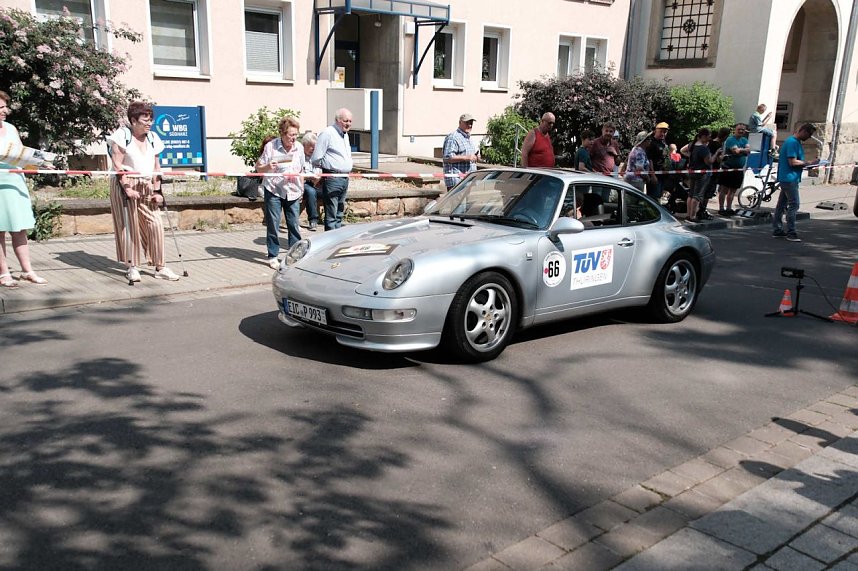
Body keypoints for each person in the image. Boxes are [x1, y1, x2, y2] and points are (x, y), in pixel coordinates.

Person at [107, 101, 179, 282]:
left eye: (151, 120)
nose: (149, 123)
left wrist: (158, 191)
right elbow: (117, 165)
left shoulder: (153, 137)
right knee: (128, 226)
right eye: (145, 120)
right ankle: (132, 266)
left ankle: (160, 266)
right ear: (133, 120)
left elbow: (156, 167)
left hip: (146, 182)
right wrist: (127, 188)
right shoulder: (122, 136)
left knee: (155, 224)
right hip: (125, 183)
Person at [0, 90, 49, 287]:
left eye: (5, 106)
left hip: (15, 182)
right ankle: (4, 273)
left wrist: (42, 163)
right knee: (0, 230)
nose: (5, 110)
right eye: (1, 107)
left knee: (20, 228)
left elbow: (23, 155)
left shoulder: (11, 128)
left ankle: (27, 271)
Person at [257, 117, 305, 267]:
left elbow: (301, 169)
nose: (294, 138)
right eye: (291, 135)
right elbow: (259, 168)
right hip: (274, 189)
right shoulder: (271, 146)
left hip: (293, 190)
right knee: (273, 224)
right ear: (282, 134)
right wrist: (268, 167)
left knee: (293, 224)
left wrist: (302, 188)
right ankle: (273, 255)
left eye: (296, 134)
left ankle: (295, 256)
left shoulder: (300, 147)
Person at [773, 123, 820, 242]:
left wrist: (807, 164)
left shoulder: (794, 142)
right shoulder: (793, 142)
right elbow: (793, 162)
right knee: (794, 205)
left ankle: (778, 230)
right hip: (789, 178)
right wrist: (809, 163)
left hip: (788, 177)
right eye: (809, 134)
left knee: (781, 205)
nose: (809, 137)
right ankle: (791, 232)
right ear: (802, 130)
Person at [311, 108, 353, 231]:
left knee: (339, 212)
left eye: (350, 121)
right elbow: (316, 157)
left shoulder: (345, 135)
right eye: (346, 121)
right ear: (338, 120)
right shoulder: (328, 133)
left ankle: (337, 240)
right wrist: (325, 172)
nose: (348, 124)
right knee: (331, 213)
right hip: (333, 177)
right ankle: (329, 242)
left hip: (344, 177)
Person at [718, 123, 751, 216]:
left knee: (733, 190)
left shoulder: (745, 140)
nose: (741, 131)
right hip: (728, 168)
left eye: (743, 130)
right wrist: (743, 151)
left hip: (739, 169)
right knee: (724, 189)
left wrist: (741, 151)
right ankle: (721, 208)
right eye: (739, 129)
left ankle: (729, 208)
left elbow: (748, 151)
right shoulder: (730, 140)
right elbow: (735, 151)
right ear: (735, 130)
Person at [442, 113, 480, 190]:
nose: (470, 125)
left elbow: (470, 156)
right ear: (460, 123)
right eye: (467, 123)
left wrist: (476, 157)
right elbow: (447, 157)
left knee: (467, 202)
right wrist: (467, 157)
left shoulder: (468, 137)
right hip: (457, 182)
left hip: (468, 180)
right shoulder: (453, 137)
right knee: (456, 202)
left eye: (471, 123)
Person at [685, 128, 715, 223]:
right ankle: (693, 216)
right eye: (708, 137)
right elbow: (709, 161)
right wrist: (716, 154)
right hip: (702, 174)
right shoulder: (703, 148)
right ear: (703, 136)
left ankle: (688, 215)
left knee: (691, 194)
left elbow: (682, 150)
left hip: (692, 172)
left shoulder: (692, 145)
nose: (709, 139)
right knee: (697, 195)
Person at [300, 131, 321, 231]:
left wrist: (318, 177)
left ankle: (332, 219)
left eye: (314, 146)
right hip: (303, 183)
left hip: (316, 182)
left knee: (330, 190)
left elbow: (320, 170)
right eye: (311, 146)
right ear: (304, 145)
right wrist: (309, 177)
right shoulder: (299, 157)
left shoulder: (316, 157)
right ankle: (313, 220)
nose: (313, 149)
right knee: (311, 192)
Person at [645, 121, 670, 200]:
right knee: (653, 197)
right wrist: (653, 175)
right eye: (661, 131)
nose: (663, 134)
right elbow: (649, 159)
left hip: (663, 175)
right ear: (656, 131)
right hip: (655, 174)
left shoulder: (663, 142)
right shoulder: (652, 143)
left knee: (658, 196)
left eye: (665, 132)